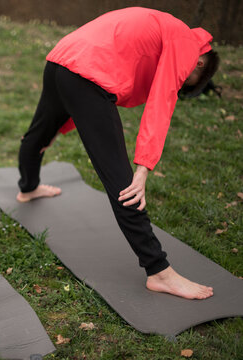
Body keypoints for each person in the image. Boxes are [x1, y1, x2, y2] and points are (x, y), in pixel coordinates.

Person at [17, 7, 219, 300]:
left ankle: (28, 188)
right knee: (124, 184)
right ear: (199, 63)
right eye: (186, 81)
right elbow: (161, 101)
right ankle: (159, 272)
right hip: (87, 75)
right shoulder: (186, 44)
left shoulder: (167, 26)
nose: (180, 82)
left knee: (38, 134)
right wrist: (143, 168)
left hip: (61, 59)